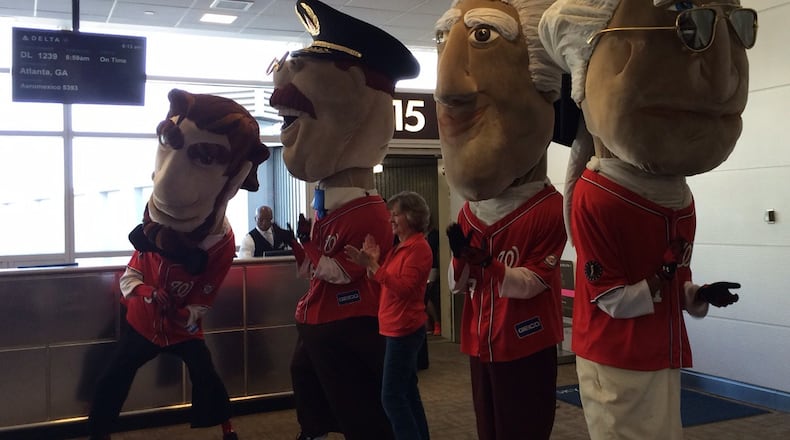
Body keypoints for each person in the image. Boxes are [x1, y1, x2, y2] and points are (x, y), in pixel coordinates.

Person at [539, 1, 753, 439]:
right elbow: (608, 297)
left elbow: (675, 279)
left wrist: (696, 293)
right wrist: (664, 277)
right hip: (617, 352)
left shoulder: (680, 198)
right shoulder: (598, 197)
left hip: (662, 349)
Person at [267, 1, 420, 439]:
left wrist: (310, 250)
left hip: (350, 324)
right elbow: (316, 268)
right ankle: (313, 429)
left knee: (355, 402)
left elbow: (344, 271)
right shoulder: (330, 207)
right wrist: (301, 245)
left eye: (305, 66)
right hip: (320, 321)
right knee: (309, 384)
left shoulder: (369, 212)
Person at [87, 88, 270, 440]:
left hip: (181, 328)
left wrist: (187, 313)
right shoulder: (154, 230)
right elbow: (132, 273)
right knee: (113, 375)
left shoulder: (221, 243)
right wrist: (147, 292)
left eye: (204, 157)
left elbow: (207, 291)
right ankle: (99, 432)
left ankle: (227, 428)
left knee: (206, 375)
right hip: (144, 322)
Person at [434, 1, 566, 439]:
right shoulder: (470, 212)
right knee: (488, 424)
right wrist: (461, 260)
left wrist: (488, 265)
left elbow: (535, 281)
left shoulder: (549, 208)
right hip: (481, 338)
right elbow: (458, 286)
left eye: (482, 35)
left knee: (524, 424)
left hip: (525, 338)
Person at [345, 191, 433, 440]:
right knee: (407, 393)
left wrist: (373, 266)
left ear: (412, 216)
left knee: (392, 397)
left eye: (396, 214)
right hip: (394, 327)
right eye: (391, 214)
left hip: (404, 329)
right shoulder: (399, 249)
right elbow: (384, 287)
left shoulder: (418, 249)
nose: (390, 219)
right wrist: (370, 267)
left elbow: (404, 289)